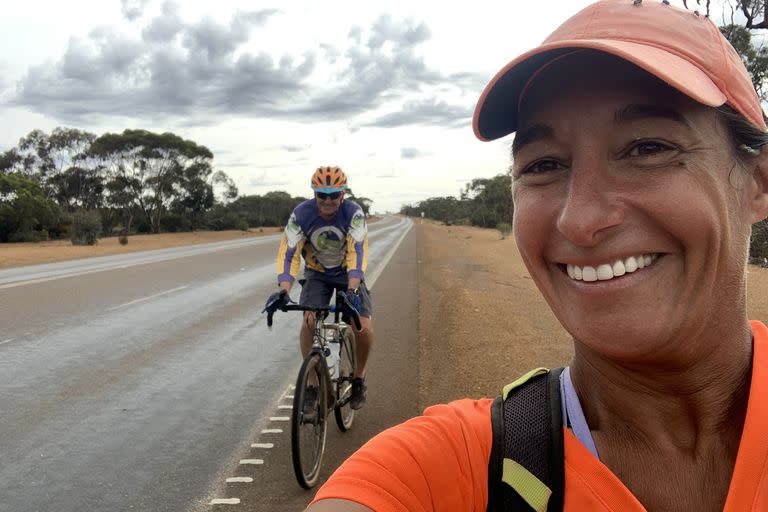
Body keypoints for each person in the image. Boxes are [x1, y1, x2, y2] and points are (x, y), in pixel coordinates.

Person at [306, 1, 768, 511]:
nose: (580, 220)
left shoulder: (350, 218)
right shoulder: (450, 466)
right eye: (544, 164)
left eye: (648, 148)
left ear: (758, 183)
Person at [267, 166, 373, 410]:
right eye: (321, 195)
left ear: (342, 195)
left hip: (349, 274)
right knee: (309, 322)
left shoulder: (353, 213)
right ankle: (313, 385)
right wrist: (284, 289)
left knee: (363, 327)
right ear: (314, 194)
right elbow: (289, 253)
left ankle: (358, 379)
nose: (327, 201)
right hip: (318, 274)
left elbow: (357, 251)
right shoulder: (301, 215)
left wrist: (353, 290)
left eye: (334, 195)